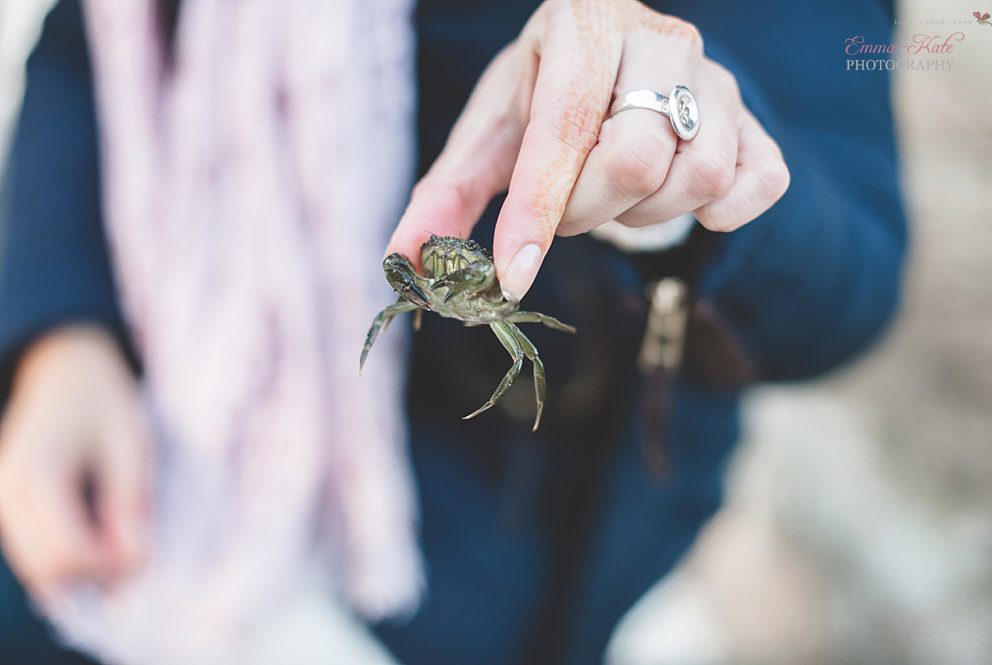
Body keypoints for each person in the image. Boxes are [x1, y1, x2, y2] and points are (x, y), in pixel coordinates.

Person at [0, 0, 905, 663]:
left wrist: (670, 168)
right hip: (166, 429)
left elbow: (852, 285)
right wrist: (60, 331)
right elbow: (96, 40)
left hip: (498, 547)